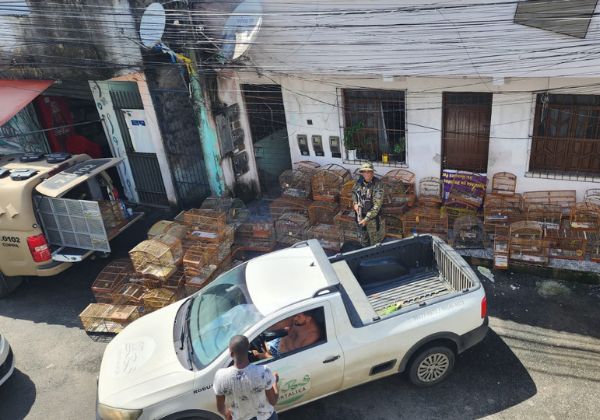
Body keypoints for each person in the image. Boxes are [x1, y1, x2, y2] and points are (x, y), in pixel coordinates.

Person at [214, 335, 279, 420]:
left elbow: (220, 408)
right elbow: (273, 401)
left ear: (231, 353)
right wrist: (275, 383)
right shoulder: (263, 371)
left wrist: (227, 414)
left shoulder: (221, 376)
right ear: (248, 349)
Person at [352, 162, 385, 247]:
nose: (366, 174)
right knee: (363, 241)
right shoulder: (359, 182)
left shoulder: (378, 185)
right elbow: (354, 193)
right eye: (364, 171)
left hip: (372, 219)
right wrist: (355, 203)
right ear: (362, 173)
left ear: (372, 173)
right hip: (360, 216)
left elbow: (377, 206)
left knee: (375, 244)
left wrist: (366, 219)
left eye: (368, 171)